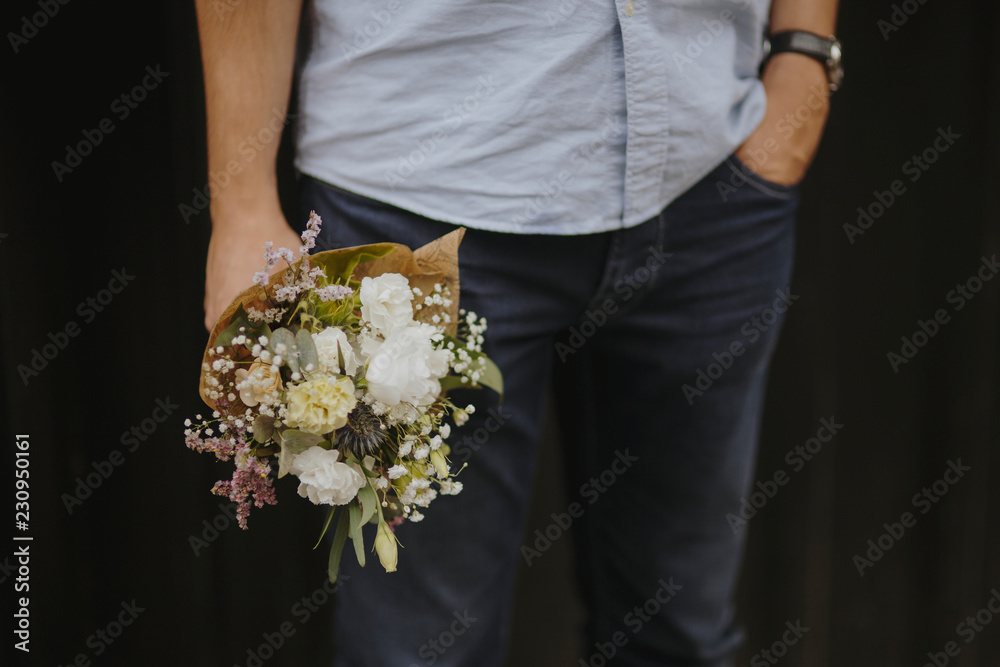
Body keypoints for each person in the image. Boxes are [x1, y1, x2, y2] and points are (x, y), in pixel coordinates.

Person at [196, 1, 839, 665]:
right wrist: (242, 202)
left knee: (683, 637)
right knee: (419, 652)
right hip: (418, 201)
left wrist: (805, 51)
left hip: (709, 172)